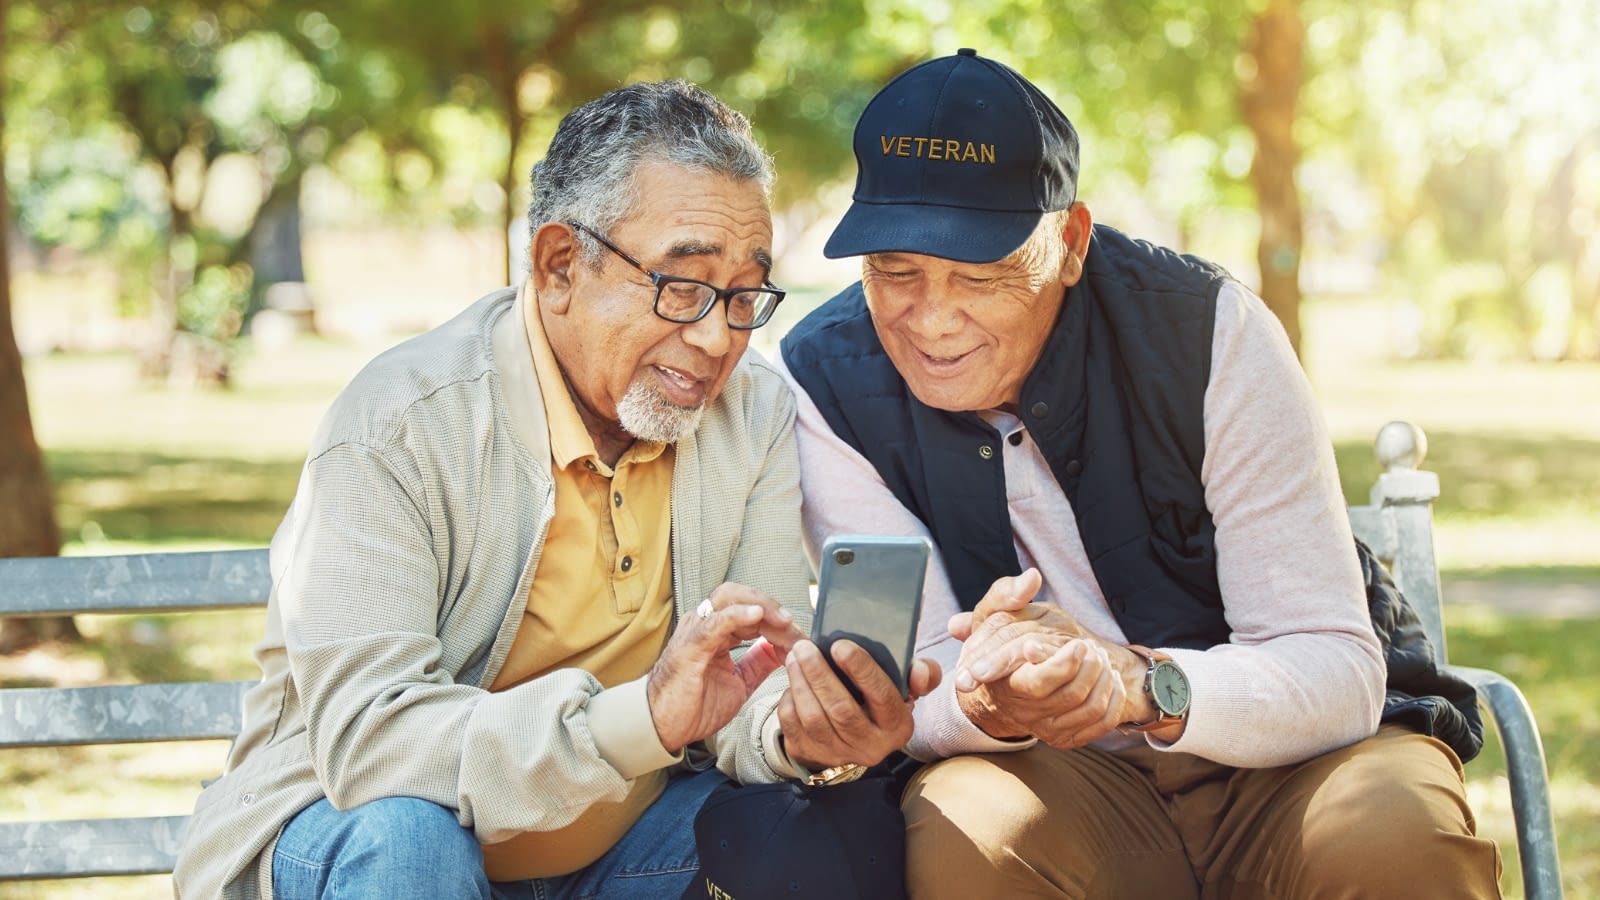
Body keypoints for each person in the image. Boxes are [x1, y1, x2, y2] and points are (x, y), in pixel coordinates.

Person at [173, 79, 930, 900]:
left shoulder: (751, 413)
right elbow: (374, 746)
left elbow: (753, 684)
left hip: (619, 851)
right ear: (560, 264)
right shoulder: (401, 421)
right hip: (355, 838)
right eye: (683, 287)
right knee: (409, 840)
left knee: (818, 832)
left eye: (745, 295)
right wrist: (644, 718)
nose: (718, 338)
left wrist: (802, 726)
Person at [778, 49, 1502, 898]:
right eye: (893, 272)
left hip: (1295, 760)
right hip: (1055, 777)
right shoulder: (825, 380)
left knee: (1396, 836)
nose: (932, 320)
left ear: (1071, 241)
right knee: (968, 830)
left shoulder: (1210, 333)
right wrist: (982, 703)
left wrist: (1137, 684)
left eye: (980, 273)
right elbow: (915, 677)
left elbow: (1335, 666)